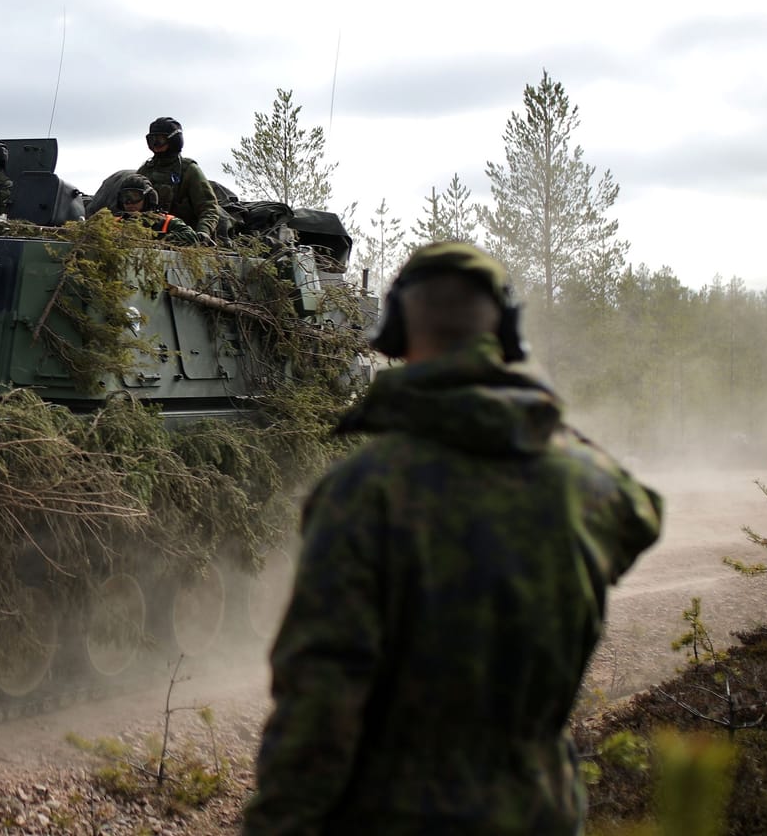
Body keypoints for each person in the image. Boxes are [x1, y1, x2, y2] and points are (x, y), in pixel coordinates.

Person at [242, 242, 663, 836]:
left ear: (392, 335)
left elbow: (319, 701)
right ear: (510, 337)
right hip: (539, 810)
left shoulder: (363, 491)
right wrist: (534, 411)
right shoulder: (582, 481)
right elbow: (639, 517)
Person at [136, 117, 220, 238]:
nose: (155, 145)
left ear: (173, 140)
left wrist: (202, 233)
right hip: (148, 236)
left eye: (159, 140)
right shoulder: (146, 170)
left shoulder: (188, 170)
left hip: (183, 238)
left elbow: (208, 207)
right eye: (151, 140)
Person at [106, 172, 199, 244]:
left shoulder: (167, 222)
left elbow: (192, 237)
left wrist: (154, 239)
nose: (129, 202)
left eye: (135, 196)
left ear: (148, 198)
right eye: (125, 197)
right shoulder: (114, 223)